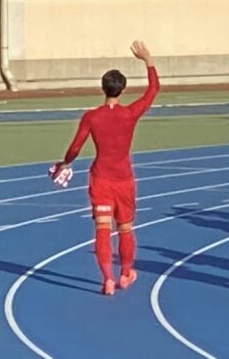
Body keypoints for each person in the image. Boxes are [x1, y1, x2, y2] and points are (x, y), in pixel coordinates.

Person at [52, 41, 159, 295]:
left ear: (103, 89)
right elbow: (154, 90)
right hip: (123, 179)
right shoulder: (130, 113)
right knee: (125, 228)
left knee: (102, 228)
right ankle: (125, 273)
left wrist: (65, 163)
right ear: (122, 90)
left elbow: (76, 146)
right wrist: (148, 60)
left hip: (100, 178)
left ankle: (107, 279)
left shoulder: (92, 117)